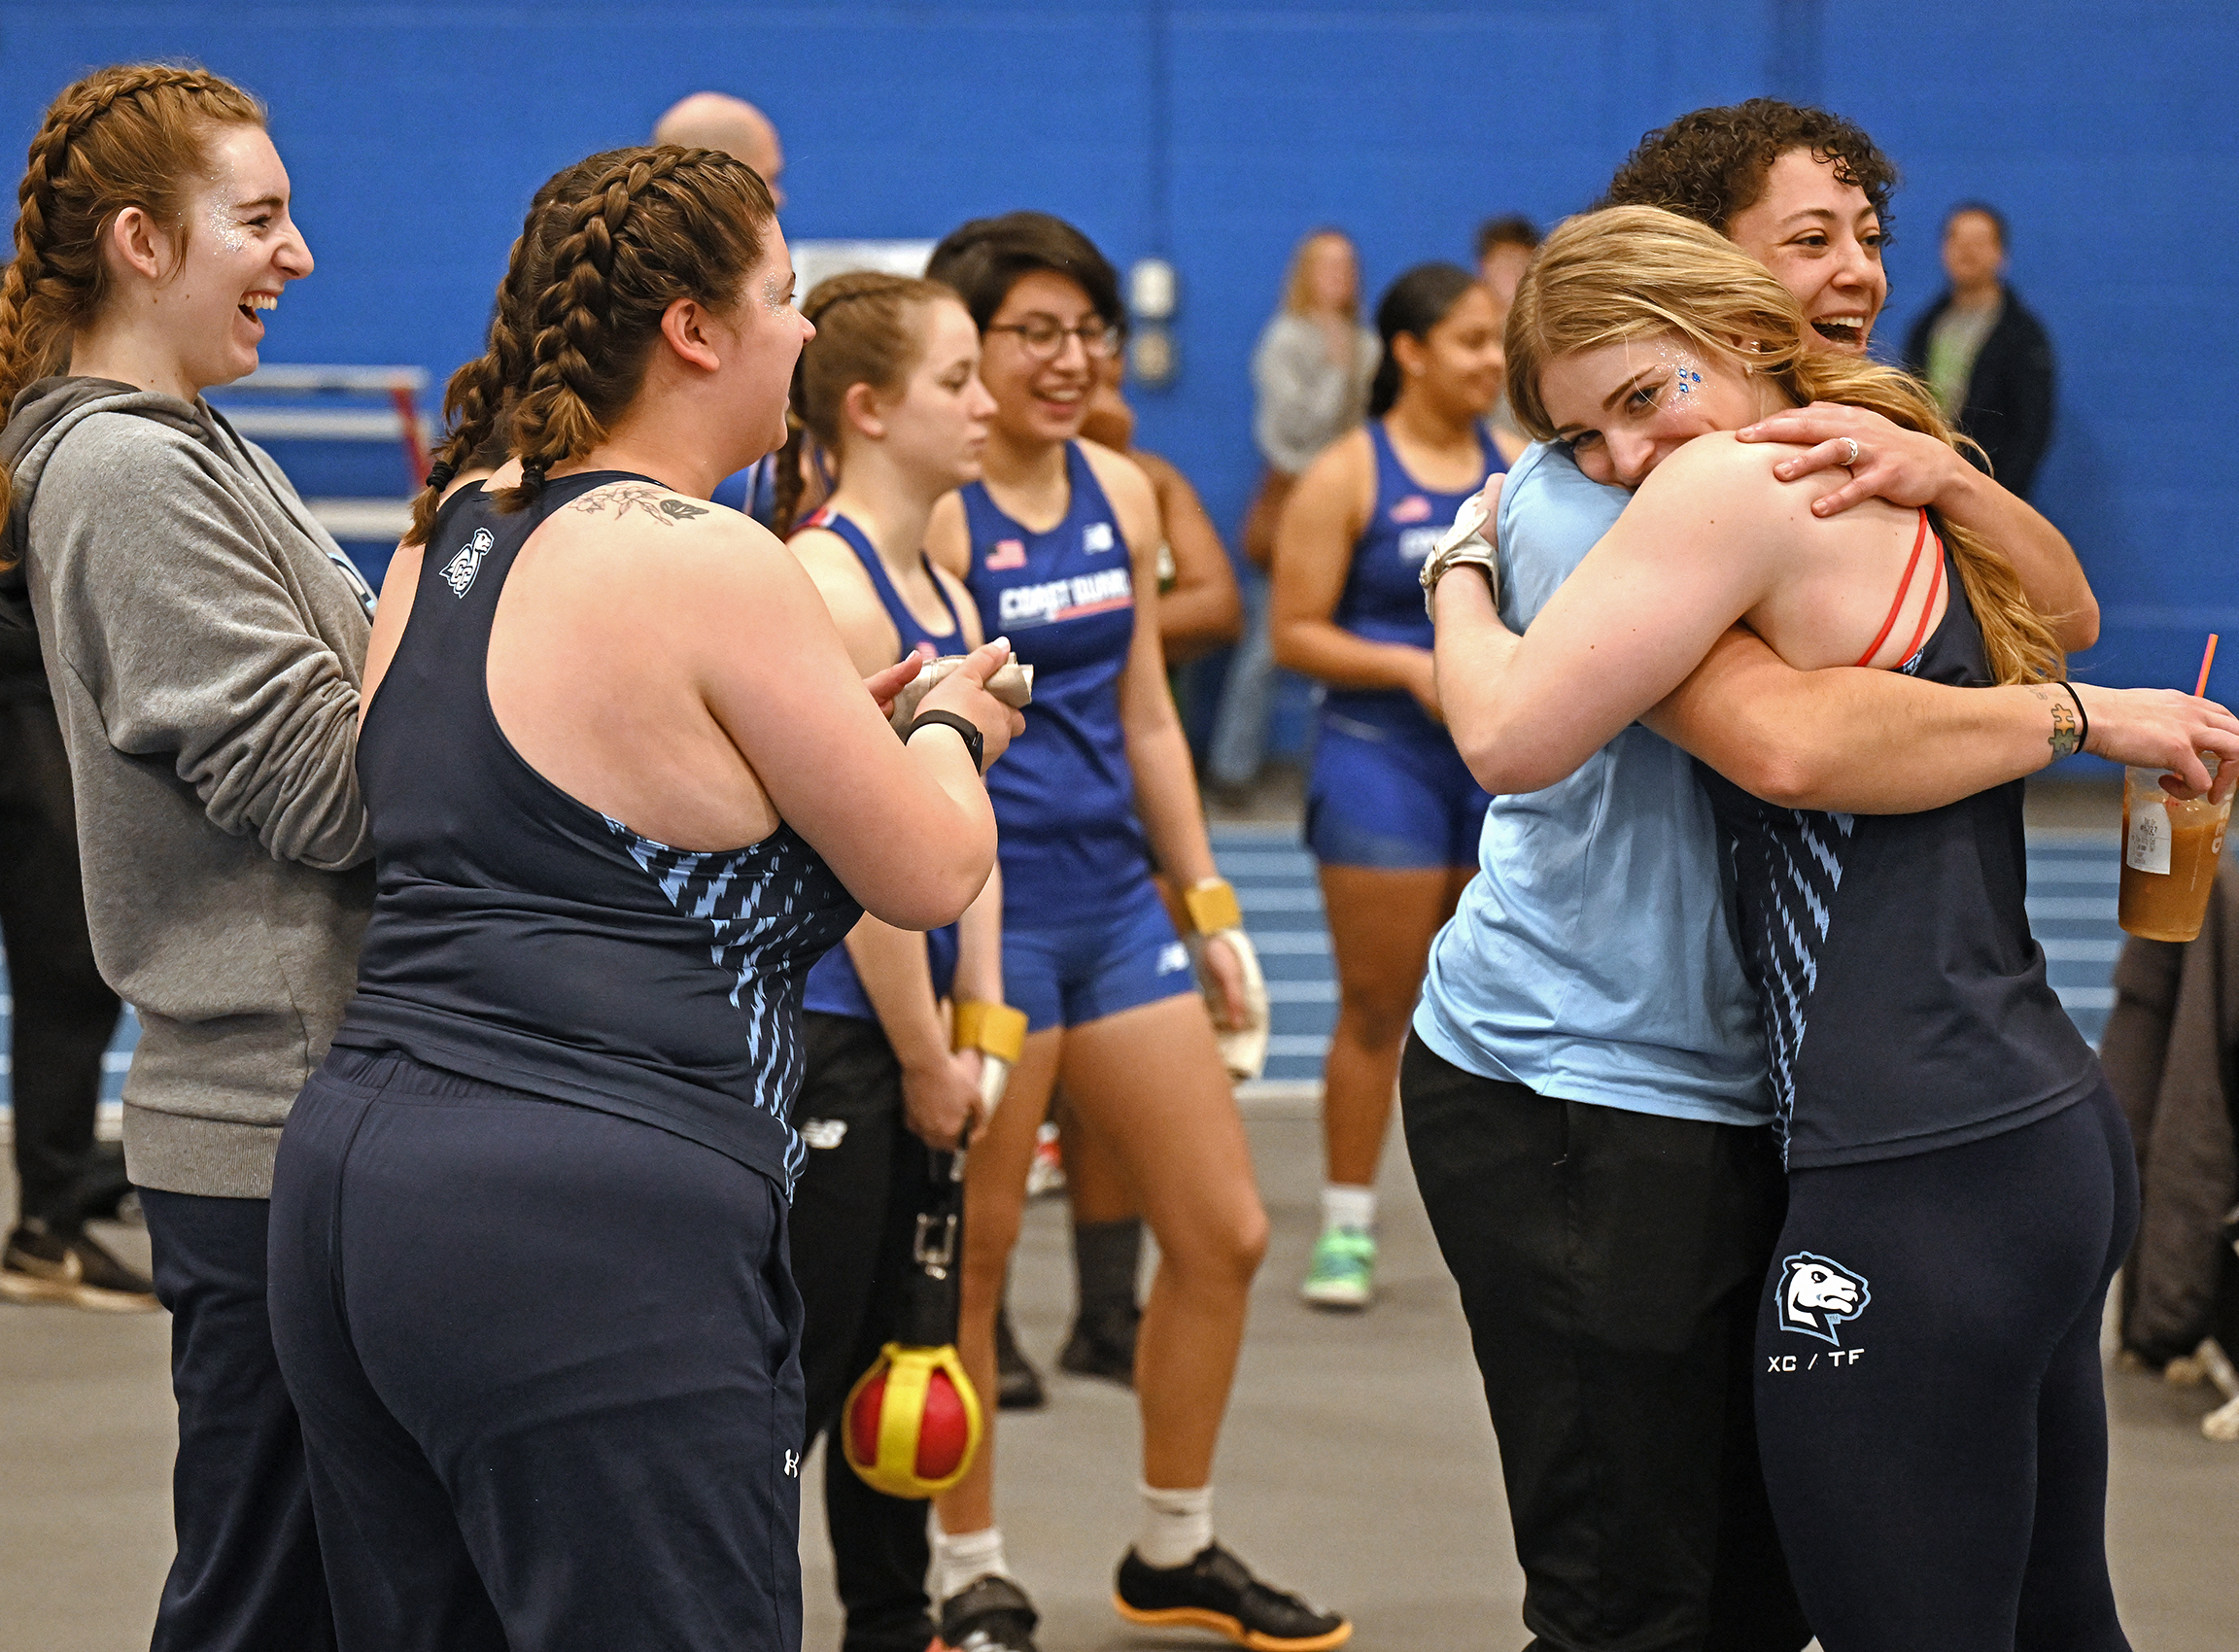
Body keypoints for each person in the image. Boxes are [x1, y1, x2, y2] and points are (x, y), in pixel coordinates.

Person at [1398, 97, 2186, 1652]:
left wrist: (1453, 573)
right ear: (1711, 267)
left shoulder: (1818, 454)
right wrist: (2067, 693)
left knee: (1789, 1608)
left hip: (1908, 1147)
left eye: (1864, 238)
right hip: (1874, 1109)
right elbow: (1838, 711)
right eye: (1809, 238)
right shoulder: (1731, 474)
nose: (1853, 275)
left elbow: (1790, 746)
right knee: (2000, 1606)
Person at [263, 145, 1021, 1650]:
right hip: (585, 1221)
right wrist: (947, 728)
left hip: (357, 1193)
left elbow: (540, 808)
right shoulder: (711, 556)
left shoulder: (448, 522)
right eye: (783, 298)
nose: (803, 333)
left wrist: (802, 756)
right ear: (693, 331)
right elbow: (929, 868)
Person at [919, 211, 1345, 1652]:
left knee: (1222, 1234)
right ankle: (961, 1567)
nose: (1070, 358)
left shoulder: (1125, 488)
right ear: (965, 346)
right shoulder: (936, 506)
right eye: (1034, 332)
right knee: (969, 1269)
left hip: (1114, 909)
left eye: (1087, 330)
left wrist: (1208, 900)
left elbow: (1149, 715)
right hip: (989, 921)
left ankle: (1175, 1547)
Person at [0, 63, 376, 1647]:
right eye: (263, 218)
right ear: (143, 243)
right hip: (266, 1131)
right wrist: (466, 560)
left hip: (307, 1122)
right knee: (262, 1607)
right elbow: (336, 796)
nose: (298, 256)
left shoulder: (192, 441)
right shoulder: (125, 474)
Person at [777, 268, 1010, 1652]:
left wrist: (979, 1021)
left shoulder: (943, 572)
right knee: (799, 1380)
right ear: (867, 409)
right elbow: (866, 866)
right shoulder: (826, 581)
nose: (986, 405)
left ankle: (892, 1623)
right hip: (838, 1033)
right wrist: (928, 1058)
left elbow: (968, 826)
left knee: (900, 1370)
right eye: (956, 380)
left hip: (921, 1031)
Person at [1268, 263, 1512, 1308]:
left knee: (1500, 1003)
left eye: (1498, 341)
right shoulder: (1347, 473)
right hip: (1381, 760)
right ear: (1408, 352)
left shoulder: (1518, 469)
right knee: (1379, 1005)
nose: (1493, 361)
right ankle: (1348, 1222)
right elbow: (1293, 631)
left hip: (1494, 761)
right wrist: (1414, 667)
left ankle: (1503, 1217)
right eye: (1470, 341)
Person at [1052, 345, 1245, 1387]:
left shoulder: (1143, 487)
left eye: (1109, 363)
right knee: (977, 1219)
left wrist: (1098, 620)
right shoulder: (948, 506)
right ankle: (963, 1545)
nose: (1101, 395)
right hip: (992, 874)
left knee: (1213, 1214)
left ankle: (1103, 1309)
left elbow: (1220, 607)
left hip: (1124, 852)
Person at [1207, 228, 1377, 798]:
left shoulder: (1369, 344)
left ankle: (1333, 770)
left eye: (1348, 264)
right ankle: (1232, 770)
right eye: (1327, 265)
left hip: (1359, 513)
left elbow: (1373, 432)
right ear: (1305, 273)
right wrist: (1334, 370)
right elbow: (1289, 435)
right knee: (1265, 647)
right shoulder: (1284, 341)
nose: (1340, 275)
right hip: (1296, 511)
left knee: (1347, 640)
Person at [0, 637, 139, 1310]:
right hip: (29, 684)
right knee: (67, 966)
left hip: (30, 682)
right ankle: (49, 1227)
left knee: (69, 964)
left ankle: (49, 1228)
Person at [1903, 202, 2057, 499]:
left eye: (1978, 242)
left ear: (2002, 254)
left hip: (1992, 488)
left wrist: (2001, 495)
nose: (1966, 251)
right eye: (1956, 240)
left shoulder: (2023, 336)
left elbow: (2033, 428)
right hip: (1929, 484)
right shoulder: (1926, 327)